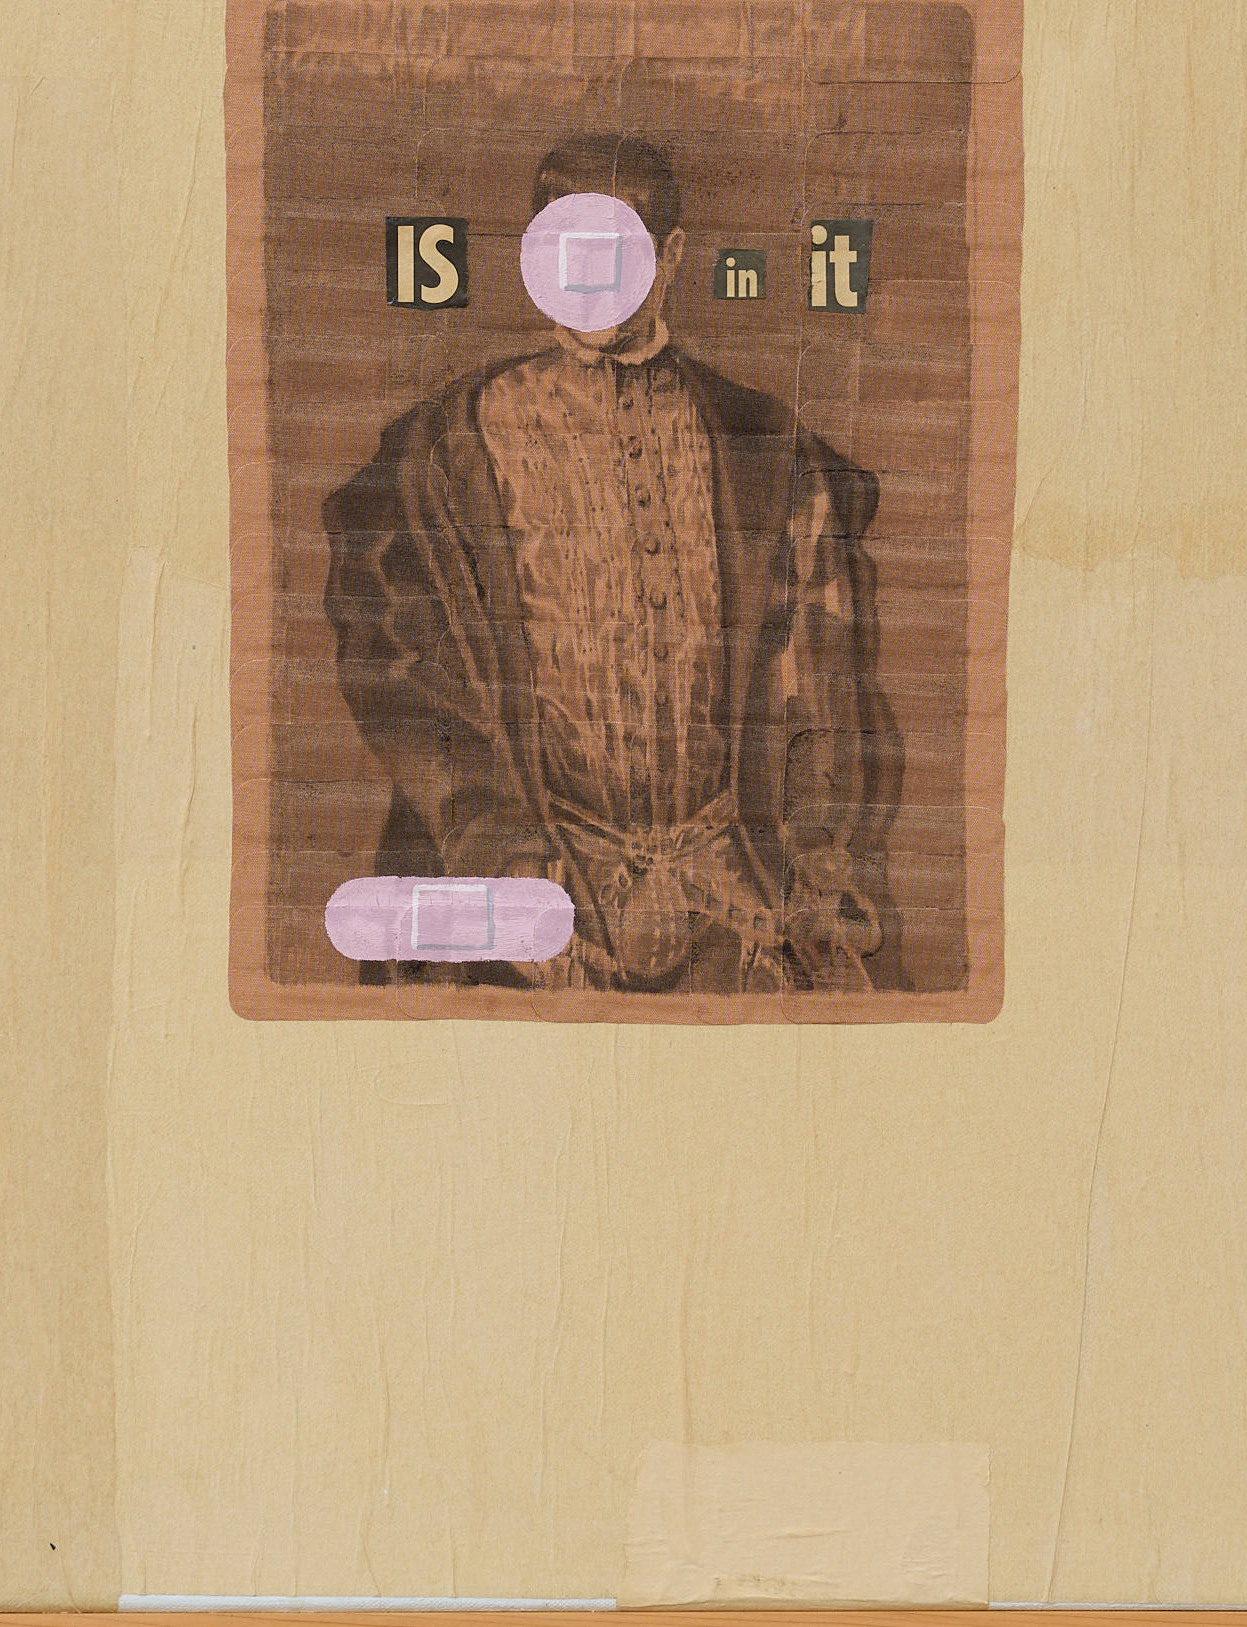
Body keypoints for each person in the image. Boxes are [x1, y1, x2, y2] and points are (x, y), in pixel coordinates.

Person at [323, 133, 900, 993]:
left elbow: (820, 682)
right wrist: (500, 853)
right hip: (532, 904)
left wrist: (818, 867)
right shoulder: (444, 449)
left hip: (733, 901)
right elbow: (401, 669)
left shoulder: (766, 450)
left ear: (672, 256)